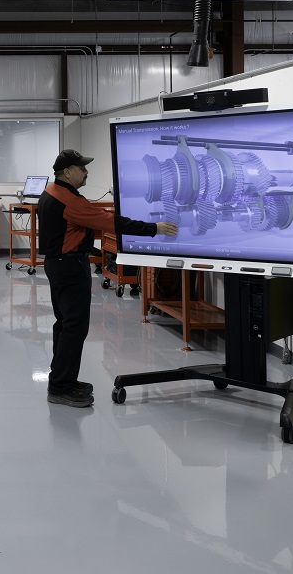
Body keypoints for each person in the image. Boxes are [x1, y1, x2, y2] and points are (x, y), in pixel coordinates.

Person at [38, 149, 178, 408]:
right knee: (75, 327)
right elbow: (110, 222)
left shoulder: (49, 192)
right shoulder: (71, 202)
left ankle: (61, 379)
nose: (86, 172)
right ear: (67, 172)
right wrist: (153, 229)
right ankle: (60, 387)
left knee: (65, 324)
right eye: (82, 168)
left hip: (56, 264)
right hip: (69, 267)